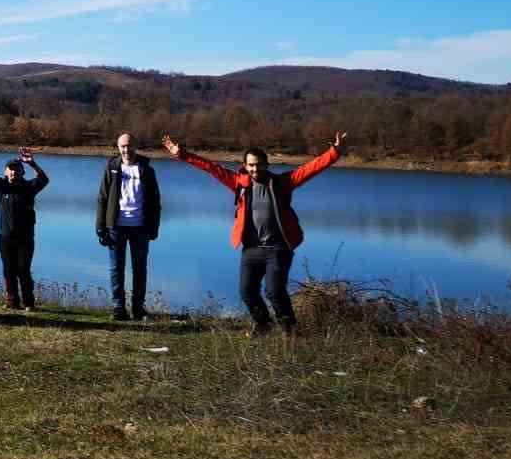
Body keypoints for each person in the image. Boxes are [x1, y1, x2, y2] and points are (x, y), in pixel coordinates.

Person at [164, 131, 348, 337]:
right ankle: (263, 325)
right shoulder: (239, 183)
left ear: (266, 165)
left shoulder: (281, 183)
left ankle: (290, 330)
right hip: (251, 249)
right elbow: (211, 168)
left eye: (259, 164)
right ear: (245, 166)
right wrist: (182, 155)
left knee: (274, 292)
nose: (255, 168)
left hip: (278, 248)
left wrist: (334, 153)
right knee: (247, 292)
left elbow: (309, 170)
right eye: (251, 165)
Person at [0, 142, 50, 311]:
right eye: (10, 169)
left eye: (16, 169)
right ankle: (12, 301)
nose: (13, 171)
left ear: (22, 172)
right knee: (8, 270)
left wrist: (32, 163)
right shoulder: (0, 186)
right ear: (5, 172)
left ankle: (29, 303)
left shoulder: (29, 188)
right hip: (5, 237)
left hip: (25, 238)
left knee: (23, 270)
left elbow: (44, 179)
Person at [94, 132, 161, 321]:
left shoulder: (147, 170)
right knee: (116, 268)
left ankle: (138, 309)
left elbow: (155, 201)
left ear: (135, 146)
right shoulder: (112, 168)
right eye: (122, 146)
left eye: (129, 145)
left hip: (140, 227)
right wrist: (100, 227)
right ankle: (118, 308)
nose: (126, 149)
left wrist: (154, 228)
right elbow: (102, 198)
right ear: (118, 147)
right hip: (116, 227)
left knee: (140, 269)